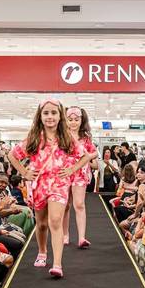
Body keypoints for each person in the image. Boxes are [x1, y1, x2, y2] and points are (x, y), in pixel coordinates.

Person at [7, 98, 93, 278]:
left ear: (60, 116)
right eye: (46, 113)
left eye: (54, 112)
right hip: (39, 185)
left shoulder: (66, 138)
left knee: (55, 220)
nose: (50, 116)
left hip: (59, 185)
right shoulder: (34, 138)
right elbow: (12, 155)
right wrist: (24, 172)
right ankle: (42, 251)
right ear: (40, 116)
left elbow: (85, 156)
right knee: (41, 224)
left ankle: (57, 264)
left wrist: (72, 169)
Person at [63, 107, 98, 249]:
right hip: (64, 173)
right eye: (70, 119)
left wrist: (88, 157)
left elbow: (94, 152)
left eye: (76, 119)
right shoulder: (62, 136)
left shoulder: (85, 137)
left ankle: (82, 237)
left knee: (79, 204)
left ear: (81, 120)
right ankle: (65, 235)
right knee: (65, 205)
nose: (73, 122)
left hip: (80, 174)